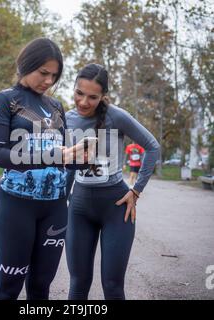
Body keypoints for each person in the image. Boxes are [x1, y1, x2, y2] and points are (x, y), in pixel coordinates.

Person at [0, 37, 89, 300]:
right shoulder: (5, 99)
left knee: (41, 287)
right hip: (16, 205)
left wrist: (84, 157)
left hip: (55, 207)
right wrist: (54, 155)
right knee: (8, 287)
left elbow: (64, 157)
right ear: (25, 64)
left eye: (54, 76)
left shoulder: (56, 106)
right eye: (43, 73)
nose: (49, 81)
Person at [65, 63, 160, 300]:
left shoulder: (116, 116)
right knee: (78, 284)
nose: (84, 102)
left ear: (103, 96)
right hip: (79, 208)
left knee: (113, 285)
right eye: (79, 93)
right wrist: (61, 200)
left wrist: (136, 190)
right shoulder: (66, 119)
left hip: (116, 209)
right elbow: (65, 165)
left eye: (92, 97)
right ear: (73, 89)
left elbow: (152, 147)